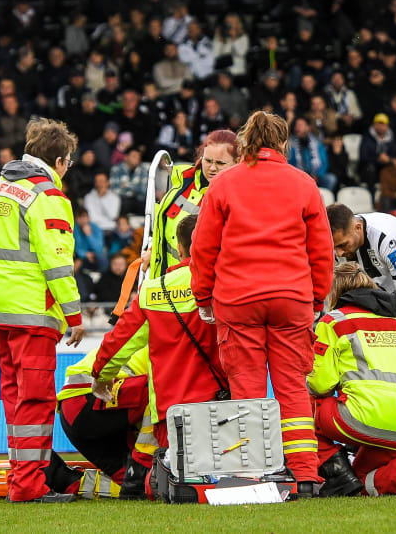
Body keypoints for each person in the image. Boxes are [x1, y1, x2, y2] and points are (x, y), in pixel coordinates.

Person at [190, 111, 333, 494]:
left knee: (247, 388)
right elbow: (321, 250)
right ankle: (305, 474)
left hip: (238, 300)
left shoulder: (223, 186)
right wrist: (317, 297)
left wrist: (204, 296)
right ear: (282, 143)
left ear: (245, 143)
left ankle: (251, 474)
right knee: (292, 387)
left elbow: (203, 248)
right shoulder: (304, 184)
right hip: (292, 299)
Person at [0, 118, 85, 504]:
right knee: (37, 400)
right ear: (59, 160)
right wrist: (74, 315)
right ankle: (28, 487)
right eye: (68, 163)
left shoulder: (0, 186)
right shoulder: (47, 196)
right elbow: (57, 262)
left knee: (15, 399)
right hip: (32, 310)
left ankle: (21, 480)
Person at [92, 215, 227, 498]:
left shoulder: (154, 289)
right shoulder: (230, 281)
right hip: (225, 402)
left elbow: (119, 342)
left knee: (181, 483)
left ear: (179, 248)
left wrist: (101, 376)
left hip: (171, 410)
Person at [310, 263, 396, 497]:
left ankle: (335, 468)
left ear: (335, 292)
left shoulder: (333, 322)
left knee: (299, 402)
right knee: (361, 481)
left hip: (362, 419)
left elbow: (320, 384)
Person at [327, 204, 396, 348]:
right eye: (335, 247)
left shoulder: (388, 239)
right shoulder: (341, 242)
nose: (338, 253)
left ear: (357, 227)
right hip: (385, 293)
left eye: (343, 245)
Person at [45, 346, 151, 498]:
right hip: (90, 397)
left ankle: (60, 478)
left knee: (142, 487)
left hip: (75, 414)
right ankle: (142, 465)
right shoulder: (170, 352)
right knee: (163, 389)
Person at [147, 129, 239, 278]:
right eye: (208, 161)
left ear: (237, 162)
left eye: (220, 163)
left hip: (205, 291)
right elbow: (165, 231)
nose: (212, 168)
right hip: (167, 284)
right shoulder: (181, 182)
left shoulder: (239, 198)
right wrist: (152, 252)